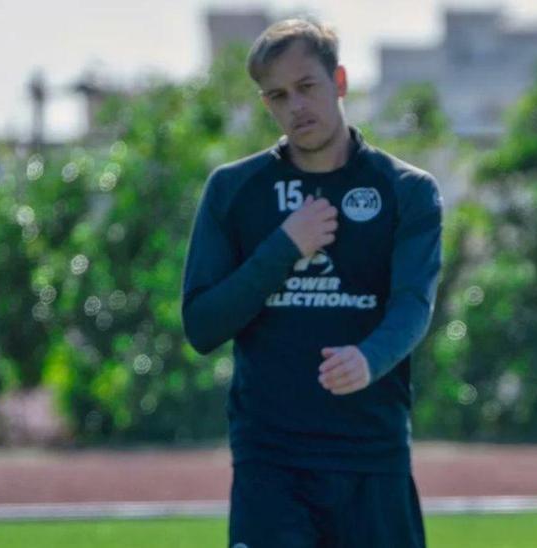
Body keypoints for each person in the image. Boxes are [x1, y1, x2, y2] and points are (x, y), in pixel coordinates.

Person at [181, 17, 440, 548]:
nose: (295, 106)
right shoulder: (234, 190)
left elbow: (414, 304)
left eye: (306, 87)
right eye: (277, 95)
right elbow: (202, 325)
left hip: (372, 457)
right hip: (271, 461)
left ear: (339, 82)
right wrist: (283, 248)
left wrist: (369, 358)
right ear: (266, 105)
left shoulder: (405, 190)